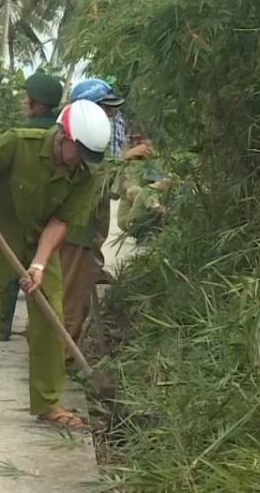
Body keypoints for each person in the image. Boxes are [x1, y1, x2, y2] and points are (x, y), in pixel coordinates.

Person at [0, 99, 111, 430]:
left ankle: (47, 403)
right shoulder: (18, 142)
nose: (82, 161)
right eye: (80, 151)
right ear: (63, 136)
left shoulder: (85, 174)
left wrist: (40, 265)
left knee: (50, 319)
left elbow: (60, 222)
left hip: (42, 245)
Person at [58, 78, 154, 362]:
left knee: (79, 282)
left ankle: (59, 353)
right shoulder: (74, 133)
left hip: (94, 207)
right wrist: (129, 155)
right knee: (69, 291)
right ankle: (58, 358)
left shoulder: (111, 123)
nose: (110, 113)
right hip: (75, 220)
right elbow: (98, 166)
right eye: (105, 108)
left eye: (112, 109)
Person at [0, 71, 65, 340]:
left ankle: (1, 327)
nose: (23, 101)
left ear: (35, 103)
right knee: (44, 276)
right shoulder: (62, 136)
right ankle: (41, 333)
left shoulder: (18, 135)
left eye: (26, 97)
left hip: (15, 217)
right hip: (52, 221)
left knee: (10, 275)